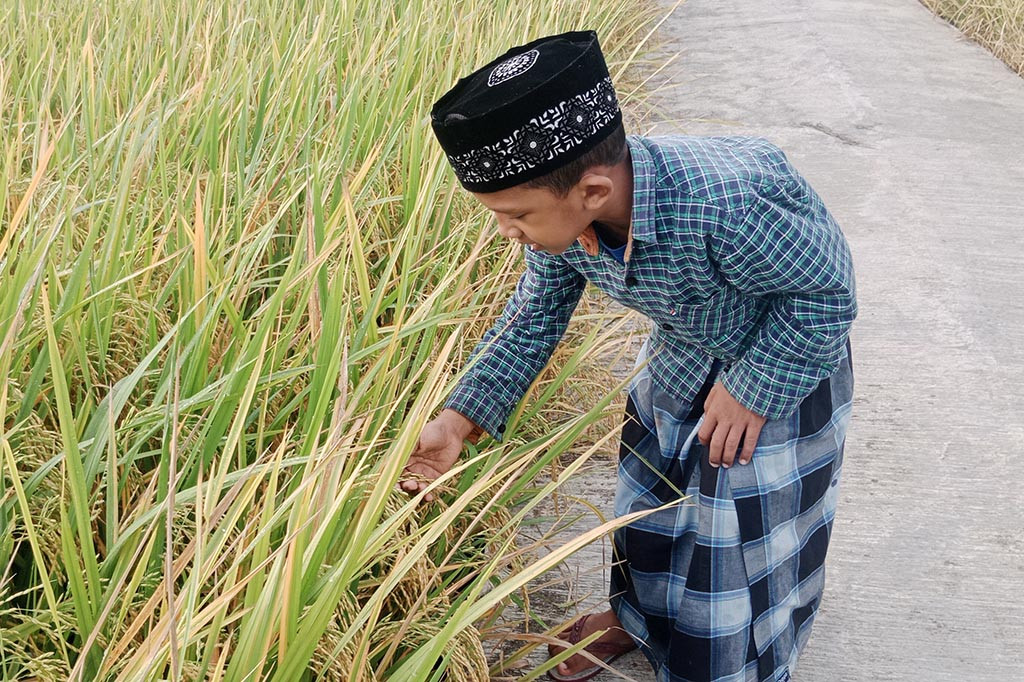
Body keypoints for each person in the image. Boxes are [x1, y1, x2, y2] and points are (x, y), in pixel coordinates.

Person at [400, 30, 856, 682]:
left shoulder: (728, 203)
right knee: (650, 505)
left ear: (589, 190)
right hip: (678, 363)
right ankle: (634, 619)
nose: (506, 230)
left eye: (515, 213)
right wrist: (456, 422)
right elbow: (531, 322)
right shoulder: (571, 224)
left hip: (778, 371)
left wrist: (754, 386)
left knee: (736, 541)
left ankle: (723, 663)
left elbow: (829, 294)